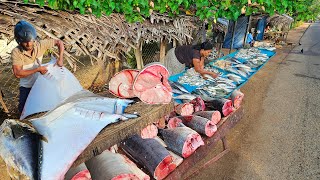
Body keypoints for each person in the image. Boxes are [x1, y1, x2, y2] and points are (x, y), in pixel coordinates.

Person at [11, 20, 65, 114]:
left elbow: (59, 42)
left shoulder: (40, 45)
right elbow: (18, 73)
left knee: (47, 108)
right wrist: (37, 69)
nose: (29, 44)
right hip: (26, 87)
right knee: (24, 111)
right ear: (19, 42)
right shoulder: (16, 52)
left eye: (31, 41)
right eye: (25, 42)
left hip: (40, 84)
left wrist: (60, 58)